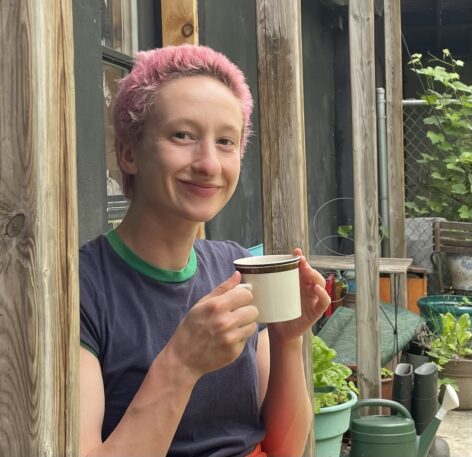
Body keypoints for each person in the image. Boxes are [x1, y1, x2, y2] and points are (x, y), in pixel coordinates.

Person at [79, 44, 330, 457]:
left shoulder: (234, 269)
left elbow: (285, 447)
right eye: (183, 135)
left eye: (226, 141)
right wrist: (180, 364)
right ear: (128, 153)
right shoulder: (82, 291)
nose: (209, 164)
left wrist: (287, 341)